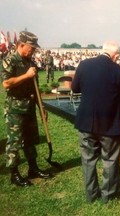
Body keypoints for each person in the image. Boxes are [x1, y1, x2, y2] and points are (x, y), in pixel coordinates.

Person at [71, 41, 120, 204]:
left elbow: (75, 89)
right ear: (115, 56)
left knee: (88, 160)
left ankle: (91, 194)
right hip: (109, 124)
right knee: (110, 160)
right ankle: (108, 196)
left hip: (86, 122)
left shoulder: (84, 65)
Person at [0, 31, 52, 187]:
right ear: (21, 45)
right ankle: (14, 174)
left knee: (30, 139)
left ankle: (33, 168)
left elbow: (35, 88)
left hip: (29, 107)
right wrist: (26, 76)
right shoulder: (10, 60)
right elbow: (6, 84)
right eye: (31, 48)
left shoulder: (30, 62)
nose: (33, 51)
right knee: (14, 142)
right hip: (15, 109)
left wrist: (41, 106)